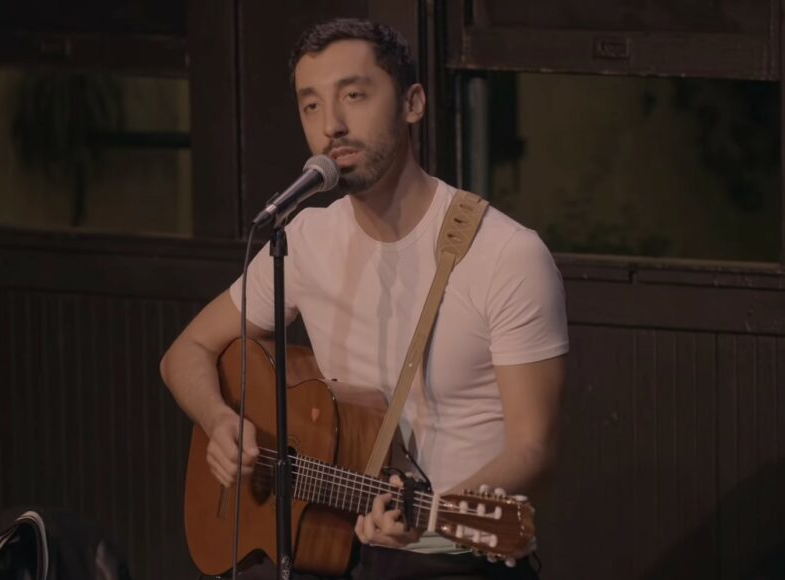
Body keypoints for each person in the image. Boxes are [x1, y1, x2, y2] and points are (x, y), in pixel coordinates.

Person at [160, 18, 568, 580]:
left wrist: (424, 517)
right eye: (311, 106)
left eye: (354, 95)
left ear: (413, 103)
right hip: (328, 539)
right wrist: (220, 422)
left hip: (447, 548)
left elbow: (534, 449)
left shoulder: (505, 254)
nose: (332, 125)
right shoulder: (304, 239)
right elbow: (185, 353)